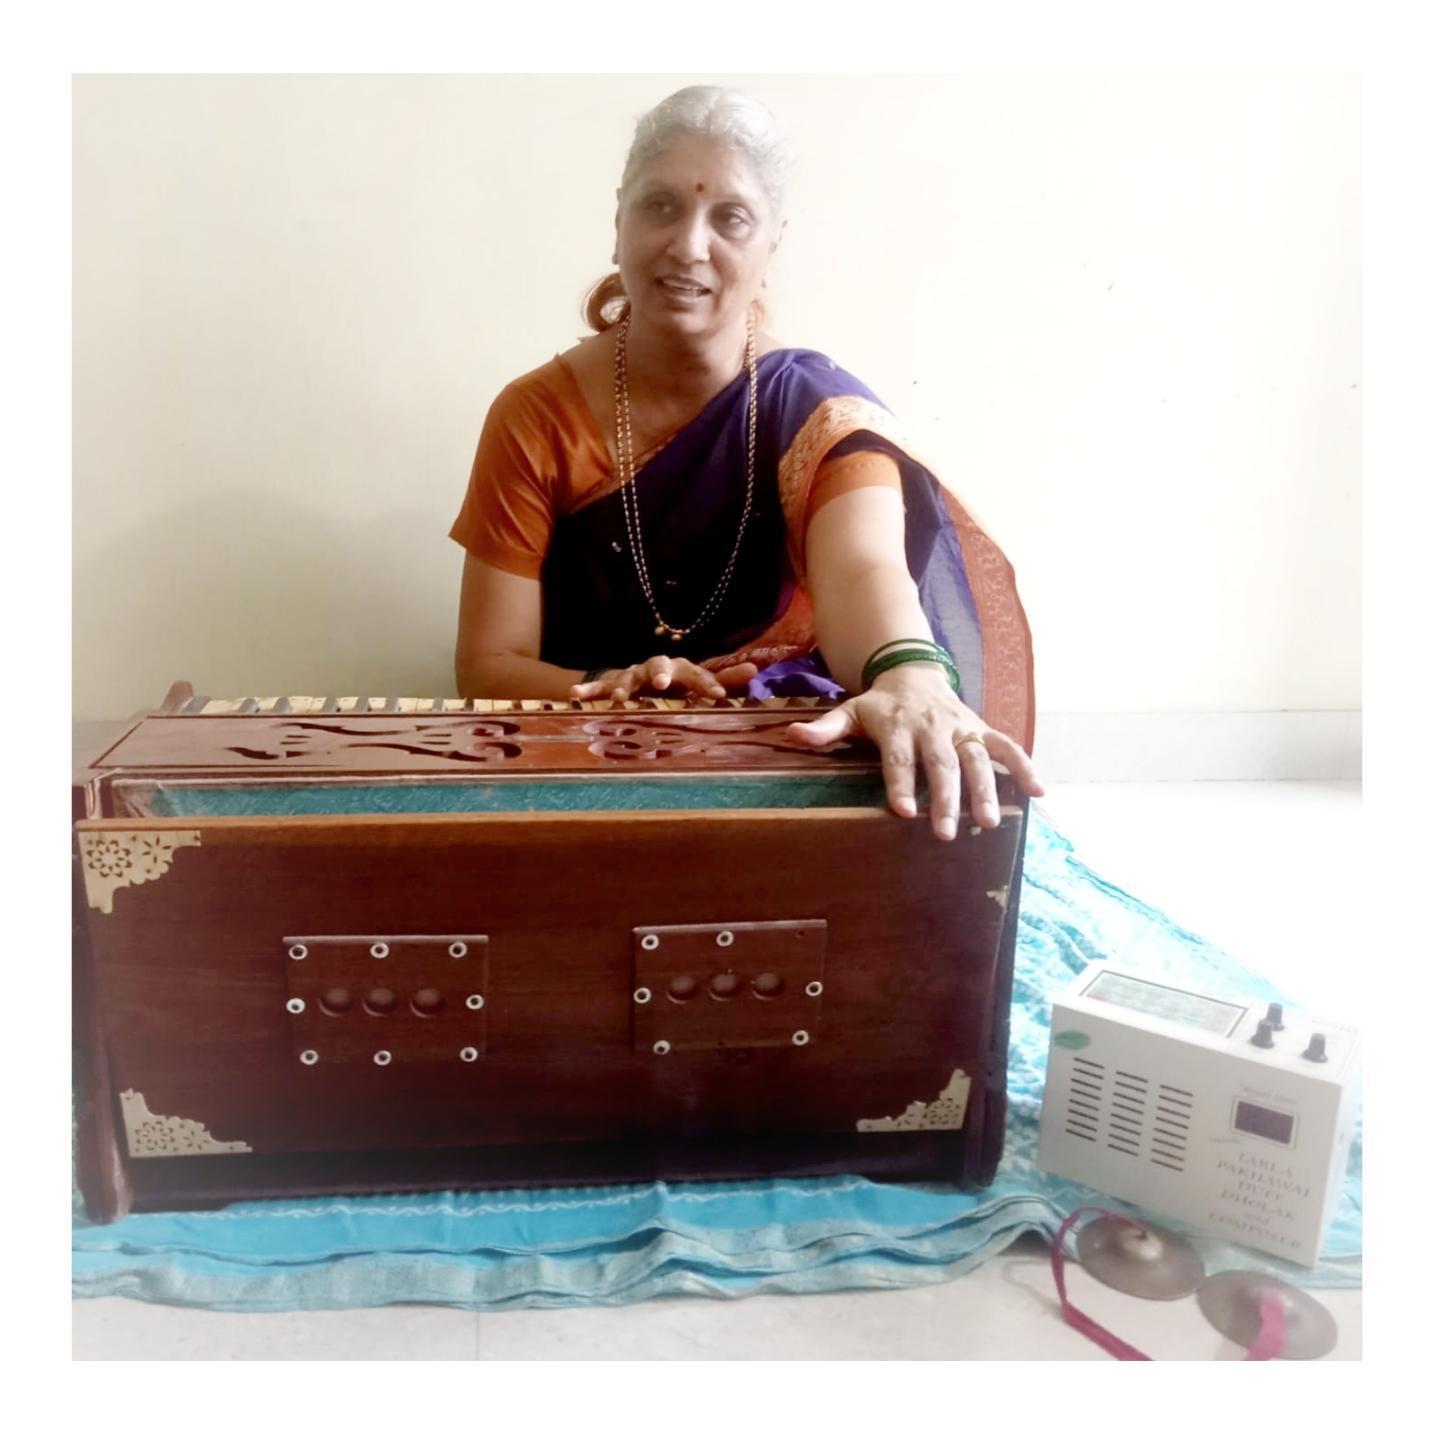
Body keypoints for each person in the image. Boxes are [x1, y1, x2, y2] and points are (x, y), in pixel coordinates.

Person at [451, 85, 1043, 838]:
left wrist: (910, 676)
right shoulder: (535, 417)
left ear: (771, 247)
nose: (689, 245)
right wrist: (612, 689)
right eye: (660, 206)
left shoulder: (818, 411)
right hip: (584, 760)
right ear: (619, 223)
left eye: (729, 218)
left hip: (779, 752)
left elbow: (865, 570)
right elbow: (488, 665)